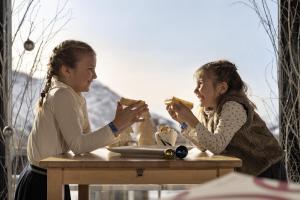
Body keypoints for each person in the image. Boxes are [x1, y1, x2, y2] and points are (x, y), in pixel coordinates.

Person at [14, 40, 149, 200]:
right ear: (66, 70)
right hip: (42, 183)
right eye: (90, 69)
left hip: (52, 177)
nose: (95, 76)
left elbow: (86, 143)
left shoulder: (76, 97)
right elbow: (79, 146)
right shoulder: (61, 95)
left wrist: (122, 124)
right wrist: (116, 125)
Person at [166, 60, 287, 181]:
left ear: (222, 88)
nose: (195, 90)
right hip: (247, 173)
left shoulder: (233, 107)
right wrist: (182, 121)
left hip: (266, 170)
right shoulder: (207, 111)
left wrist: (191, 118)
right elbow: (205, 145)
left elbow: (217, 145)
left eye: (200, 84)